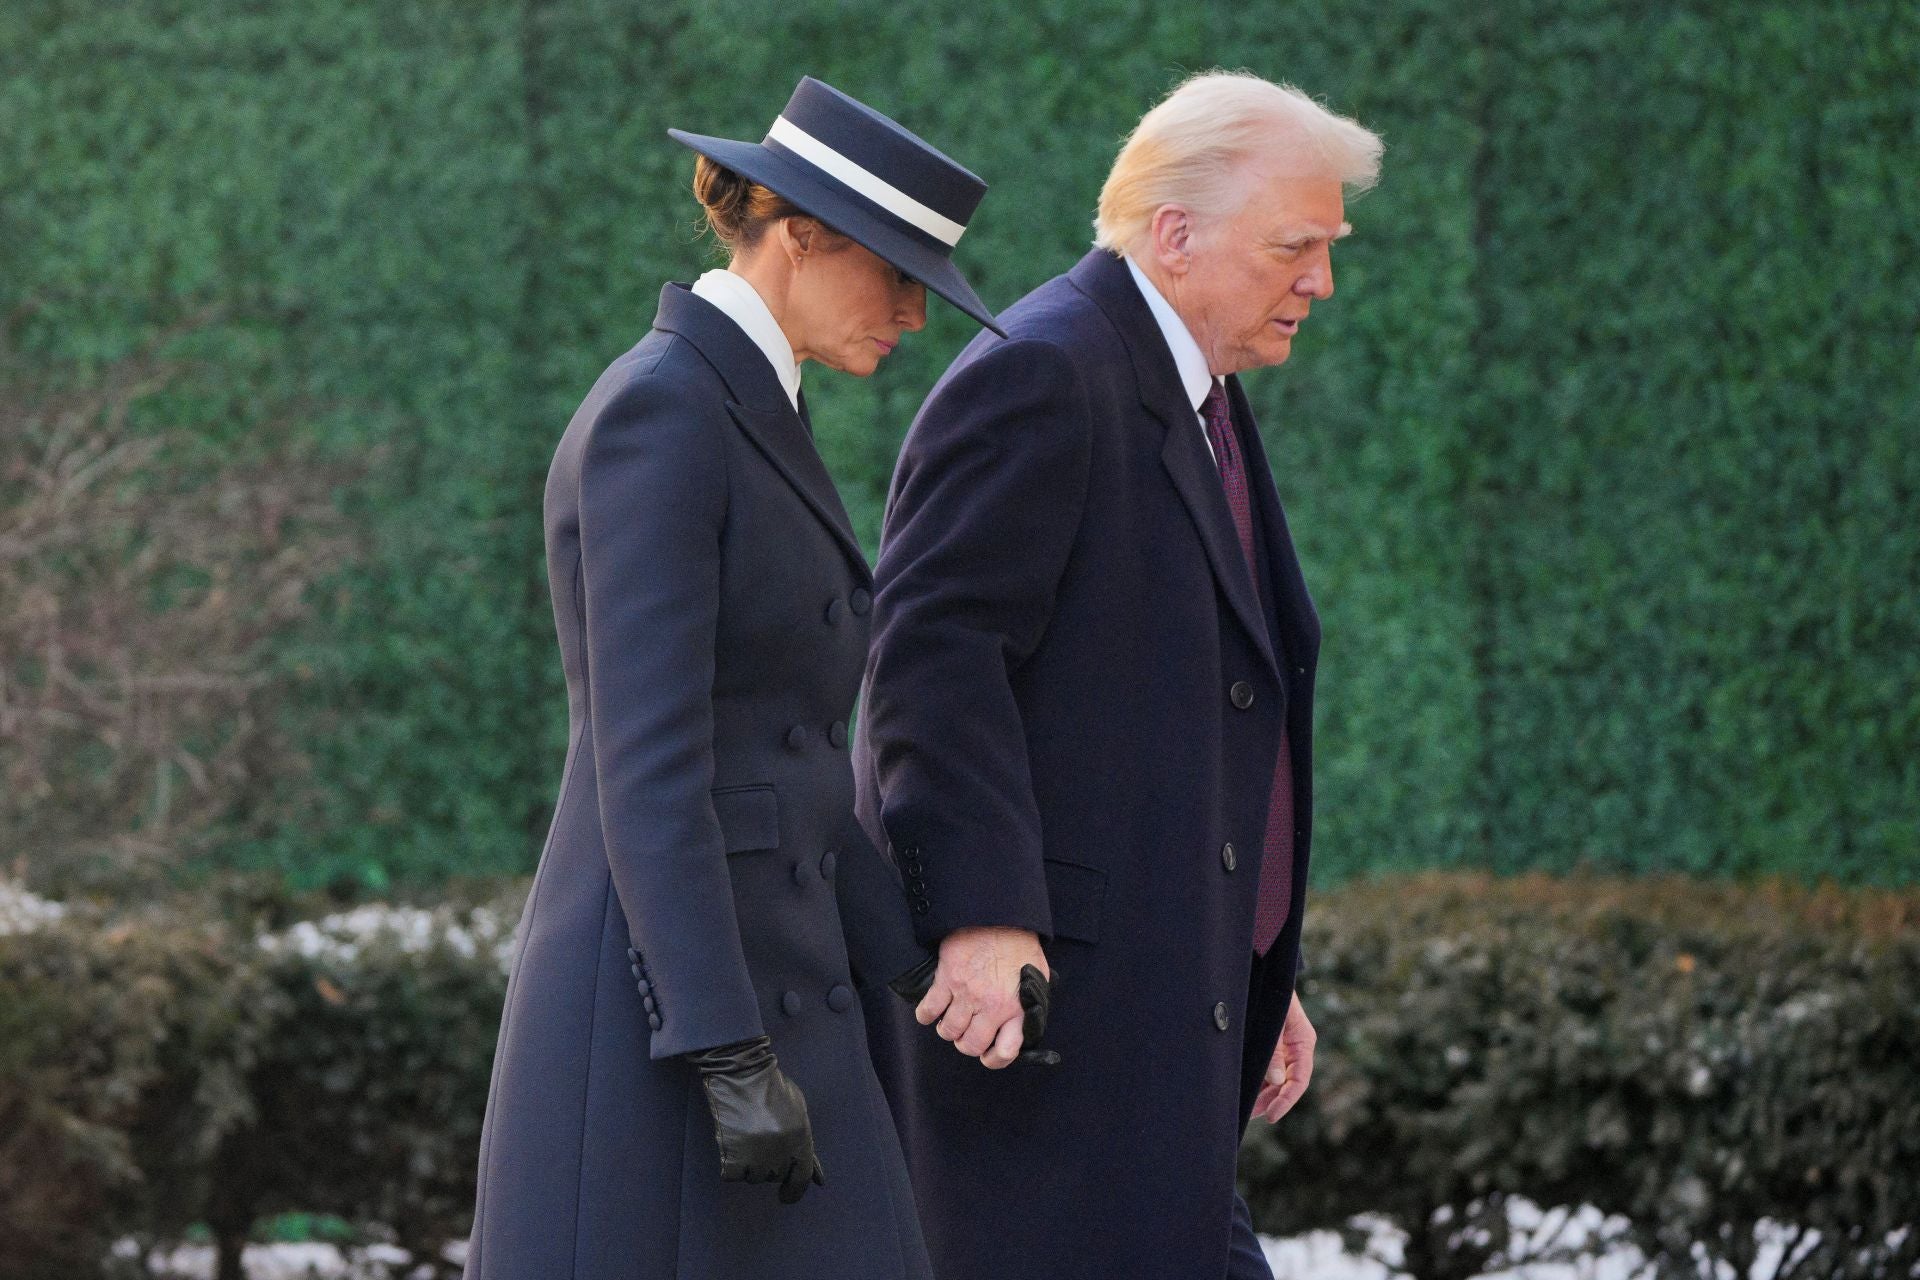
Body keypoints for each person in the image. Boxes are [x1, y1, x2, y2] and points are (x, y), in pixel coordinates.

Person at [463, 76, 1002, 1280]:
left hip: (779, 997)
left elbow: (788, 762)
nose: (914, 314)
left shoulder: (752, 405)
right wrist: (721, 1050)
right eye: (899, 273)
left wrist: (922, 969)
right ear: (799, 233)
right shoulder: (663, 412)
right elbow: (646, 768)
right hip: (669, 1022)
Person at [851, 71, 1384, 1279]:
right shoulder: (1045, 371)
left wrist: (1250, 954)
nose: (1322, 280)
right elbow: (930, 652)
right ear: (1177, 234)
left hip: (1150, 1016)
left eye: (1330, 246)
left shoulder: (1196, 388)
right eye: (1296, 246)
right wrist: (981, 911)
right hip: (1050, 1038)